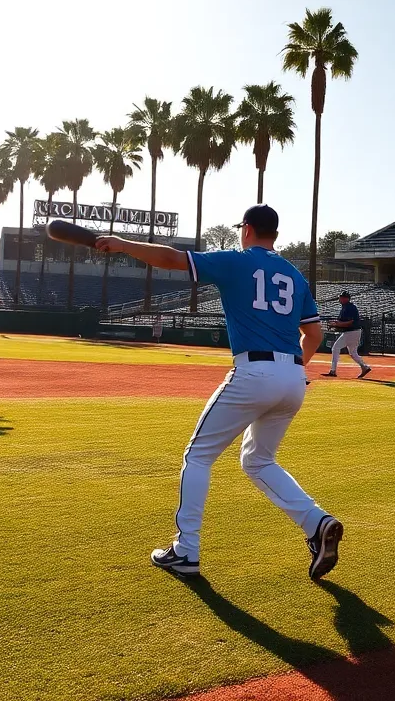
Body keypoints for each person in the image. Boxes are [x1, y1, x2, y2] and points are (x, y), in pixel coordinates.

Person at [93, 204, 343, 580]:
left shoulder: (237, 260)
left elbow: (171, 258)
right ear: (274, 233)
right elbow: (315, 336)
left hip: (254, 371)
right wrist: (292, 371)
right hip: (293, 377)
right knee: (258, 460)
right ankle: (315, 522)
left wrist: (123, 244)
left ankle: (185, 551)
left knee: (197, 456)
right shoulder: (294, 274)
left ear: (246, 229)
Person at [325, 290, 371, 379]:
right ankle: (364, 367)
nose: (340, 299)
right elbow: (342, 322)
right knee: (353, 352)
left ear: (346, 299)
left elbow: (349, 322)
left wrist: (337, 324)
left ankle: (333, 371)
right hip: (354, 332)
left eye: (342, 297)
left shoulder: (350, 307)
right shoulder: (345, 307)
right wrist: (335, 323)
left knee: (335, 348)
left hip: (351, 332)